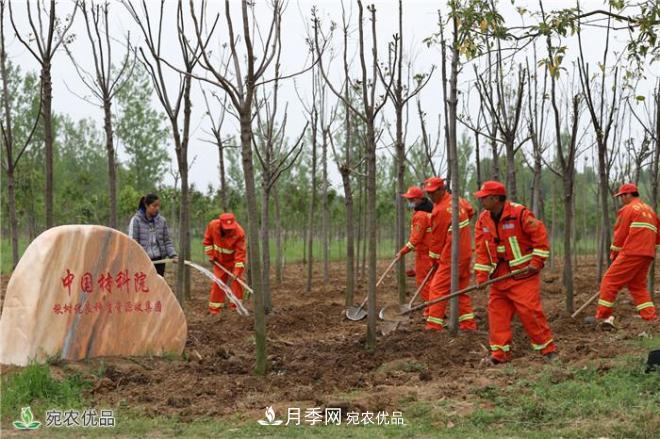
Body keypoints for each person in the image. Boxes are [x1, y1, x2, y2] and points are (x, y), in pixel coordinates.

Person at [473, 181, 556, 364]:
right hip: (499, 278)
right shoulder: (483, 220)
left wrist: (537, 261)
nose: (481, 201)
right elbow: (481, 249)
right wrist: (481, 275)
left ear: (495, 198)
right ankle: (499, 354)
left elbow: (540, 235)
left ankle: (548, 351)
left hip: (523, 276)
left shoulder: (520, 214)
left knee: (530, 313)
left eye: (484, 197)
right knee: (497, 316)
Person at [593, 183, 658, 323]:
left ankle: (602, 316)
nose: (621, 199)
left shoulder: (628, 209)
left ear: (629, 194)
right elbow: (658, 236)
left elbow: (620, 234)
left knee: (609, 281)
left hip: (632, 252)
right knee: (637, 285)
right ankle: (650, 317)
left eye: (622, 196)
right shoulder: (650, 211)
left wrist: (614, 253)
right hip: (648, 254)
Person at [423, 177, 477, 331]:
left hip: (451, 257)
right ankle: (468, 324)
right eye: (428, 193)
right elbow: (471, 211)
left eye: (433, 192)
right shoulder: (457, 200)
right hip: (465, 253)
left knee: (437, 288)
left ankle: (433, 325)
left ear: (442, 189)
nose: (430, 196)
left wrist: (434, 260)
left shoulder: (439, 211)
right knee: (460, 289)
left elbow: (437, 241)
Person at [396, 186, 434, 315]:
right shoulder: (429, 211)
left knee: (423, 282)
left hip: (425, 254)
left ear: (419, 199)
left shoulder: (421, 216)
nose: (409, 201)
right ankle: (434, 309)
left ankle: (431, 310)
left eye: (411, 199)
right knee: (430, 281)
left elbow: (415, 239)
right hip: (430, 252)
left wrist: (402, 251)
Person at [203, 212, 247, 314]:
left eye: (230, 228)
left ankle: (236, 307)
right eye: (226, 228)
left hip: (233, 262)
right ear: (221, 224)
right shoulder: (213, 225)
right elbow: (207, 241)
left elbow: (240, 254)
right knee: (218, 283)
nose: (228, 231)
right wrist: (211, 254)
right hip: (219, 261)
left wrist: (237, 271)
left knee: (237, 283)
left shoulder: (239, 232)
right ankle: (214, 309)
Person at [128, 193, 177, 276]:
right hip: (144, 261)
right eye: (154, 206)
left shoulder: (162, 221)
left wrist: (173, 255)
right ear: (146, 205)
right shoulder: (136, 220)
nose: (157, 208)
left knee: (158, 286)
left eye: (158, 206)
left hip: (160, 261)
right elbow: (133, 243)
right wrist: (138, 258)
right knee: (144, 287)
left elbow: (166, 241)